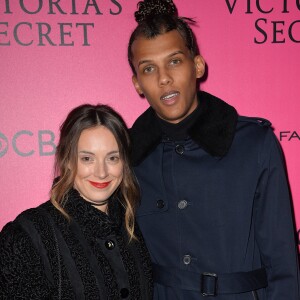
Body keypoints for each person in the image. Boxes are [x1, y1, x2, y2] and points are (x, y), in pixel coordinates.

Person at [127, 0, 300, 299]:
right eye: (149, 68)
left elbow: (282, 262)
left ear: (197, 65)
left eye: (175, 61)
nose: (164, 77)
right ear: (137, 83)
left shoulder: (255, 144)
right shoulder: (127, 157)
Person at [0, 104, 153, 299]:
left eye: (112, 158)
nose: (101, 172)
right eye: (87, 158)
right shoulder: (29, 235)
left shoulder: (134, 224)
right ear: (67, 160)